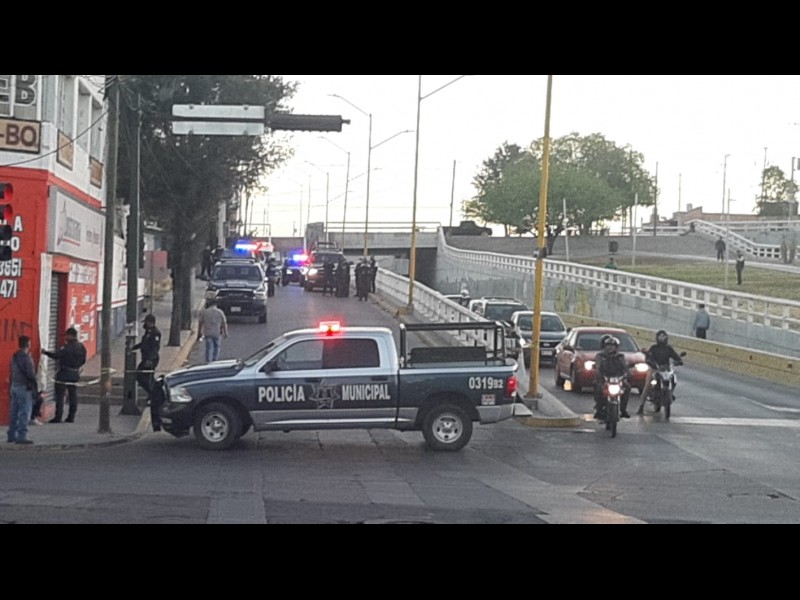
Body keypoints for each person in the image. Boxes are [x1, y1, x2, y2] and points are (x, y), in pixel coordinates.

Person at [42, 327, 87, 423]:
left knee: (60, 395)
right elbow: (83, 360)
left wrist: (45, 352)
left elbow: (56, 356)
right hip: (75, 373)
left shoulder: (67, 347)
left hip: (64, 373)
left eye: (67, 336)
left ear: (70, 336)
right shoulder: (81, 347)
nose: (65, 338)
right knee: (73, 395)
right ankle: (71, 417)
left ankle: (58, 417)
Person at [637, 330, 684, 415]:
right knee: (648, 385)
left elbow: (675, 356)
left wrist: (679, 361)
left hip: (666, 369)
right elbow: (648, 357)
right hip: (655, 369)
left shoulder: (668, 348)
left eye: (664, 336)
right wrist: (651, 362)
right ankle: (641, 406)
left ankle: (670, 393)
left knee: (673, 379)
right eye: (660, 336)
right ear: (657, 338)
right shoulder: (654, 348)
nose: (662, 338)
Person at [7, 335, 38, 444]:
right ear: (28, 344)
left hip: (14, 386)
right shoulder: (26, 358)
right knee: (24, 412)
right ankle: (22, 436)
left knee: (14, 412)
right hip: (24, 388)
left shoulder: (14, 357)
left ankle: (11, 435)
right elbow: (31, 374)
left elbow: (11, 371)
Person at [593, 335, 631, 420]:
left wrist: (626, 374)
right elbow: (598, 367)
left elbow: (625, 367)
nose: (610, 347)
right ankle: (599, 409)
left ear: (616, 347)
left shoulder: (620, 357)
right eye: (608, 345)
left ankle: (623, 409)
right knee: (598, 387)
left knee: (627, 387)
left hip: (618, 379)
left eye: (613, 345)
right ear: (605, 346)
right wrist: (600, 375)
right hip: (605, 378)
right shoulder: (600, 356)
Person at [132, 314, 161, 401]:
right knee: (142, 376)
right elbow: (143, 343)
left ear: (151, 322)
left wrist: (150, 359)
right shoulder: (148, 332)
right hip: (145, 358)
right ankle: (153, 394)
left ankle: (154, 394)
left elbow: (155, 348)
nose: (145, 324)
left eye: (146, 322)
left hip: (151, 359)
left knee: (146, 378)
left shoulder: (155, 333)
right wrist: (134, 347)